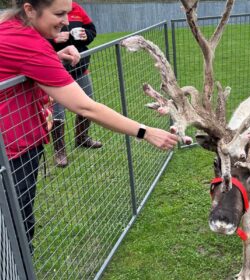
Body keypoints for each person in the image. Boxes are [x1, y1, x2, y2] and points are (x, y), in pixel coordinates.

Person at [0, 0, 178, 252]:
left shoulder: (11, 27)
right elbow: (85, 107)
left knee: (18, 222)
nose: (66, 20)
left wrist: (54, 55)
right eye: (59, 13)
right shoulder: (27, 43)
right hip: (13, 152)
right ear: (29, 10)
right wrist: (145, 131)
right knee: (16, 231)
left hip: (17, 144)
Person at [49, 1, 101, 167]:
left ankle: (82, 137)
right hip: (56, 69)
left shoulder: (76, 7)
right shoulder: (44, 7)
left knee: (88, 102)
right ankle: (59, 150)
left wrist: (86, 34)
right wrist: (53, 38)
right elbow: (35, 39)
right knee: (58, 110)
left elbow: (92, 31)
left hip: (80, 68)